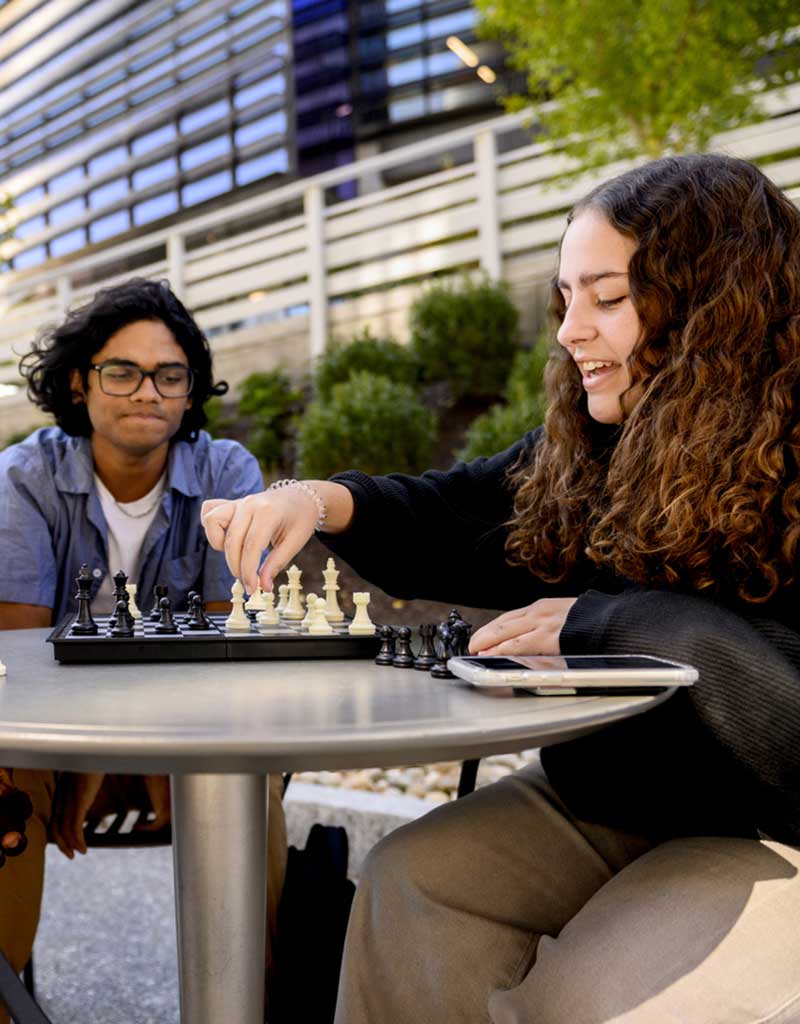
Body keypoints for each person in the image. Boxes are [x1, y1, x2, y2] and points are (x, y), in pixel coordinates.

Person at [203, 153, 800, 1023]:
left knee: (584, 1003)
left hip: (773, 826)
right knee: (412, 888)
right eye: (566, 300)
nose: (569, 330)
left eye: (606, 298)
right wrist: (317, 499)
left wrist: (613, 623)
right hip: (609, 798)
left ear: (712, 304)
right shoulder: (600, 442)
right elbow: (455, 513)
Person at [0, 279, 286, 1021]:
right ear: (79, 382)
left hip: (187, 730)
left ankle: (257, 997)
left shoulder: (227, 474)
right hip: (48, 741)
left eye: (168, 374)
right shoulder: (24, 479)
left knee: (248, 775)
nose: (145, 392)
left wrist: (166, 749)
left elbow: (233, 642)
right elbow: (21, 657)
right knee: (1, 794)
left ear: (191, 391)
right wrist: (91, 750)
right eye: (120, 371)